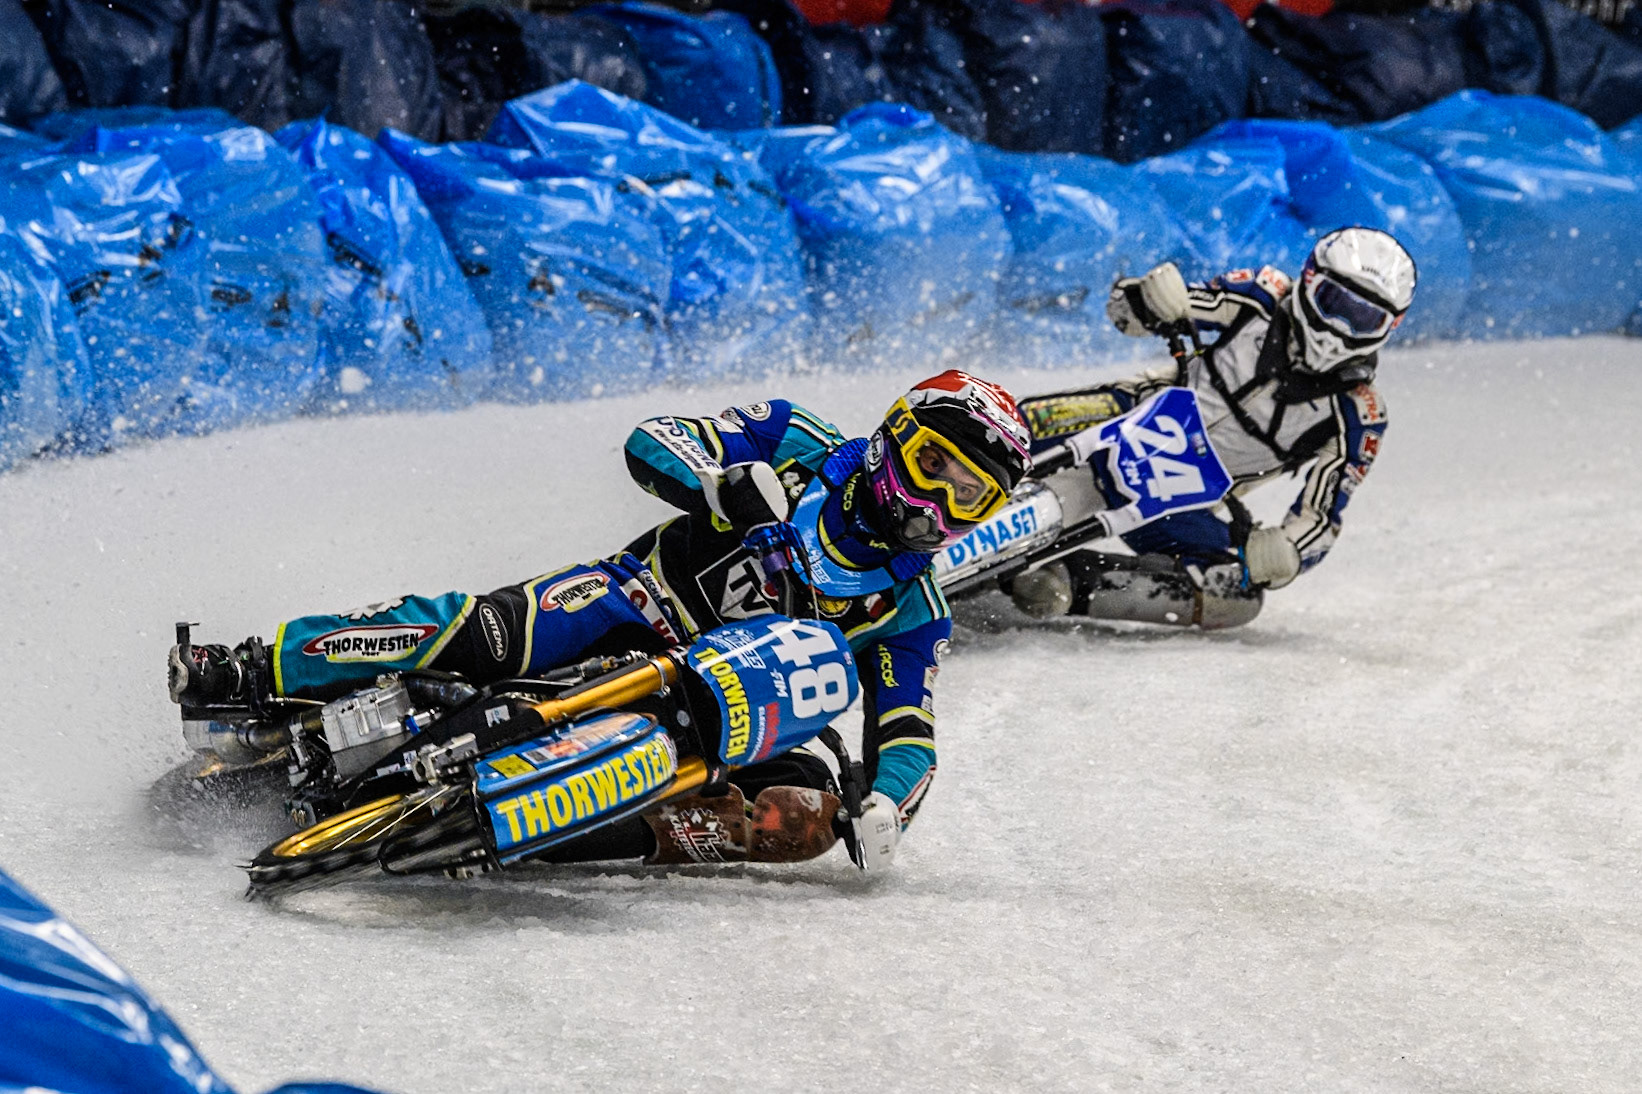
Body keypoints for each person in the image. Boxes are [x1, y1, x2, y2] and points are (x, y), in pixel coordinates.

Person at [169, 370, 1032, 871]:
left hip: (723, 714)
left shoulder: (911, 610)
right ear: (892, 440)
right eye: (931, 468)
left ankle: (543, 834)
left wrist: (884, 806)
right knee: (480, 630)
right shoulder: (800, 440)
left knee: (799, 815)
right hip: (633, 599)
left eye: (968, 497)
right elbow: (659, 437)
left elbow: (910, 730)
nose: (934, 506)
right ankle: (251, 668)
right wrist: (715, 484)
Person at [1008, 226, 1414, 627]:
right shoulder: (1261, 295)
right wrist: (1147, 299)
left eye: (1363, 319)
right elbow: (1134, 313)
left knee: (1234, 593)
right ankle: (954, 465)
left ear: (1388, 328)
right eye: (1333, 303)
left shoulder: (1359, 413)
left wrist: (1289, 550)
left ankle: (1067, 581)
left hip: (1180, 494)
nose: (1337, 331)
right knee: (1009, 423)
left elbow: (1322, 516)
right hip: (1131, 412)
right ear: (1309, 281)